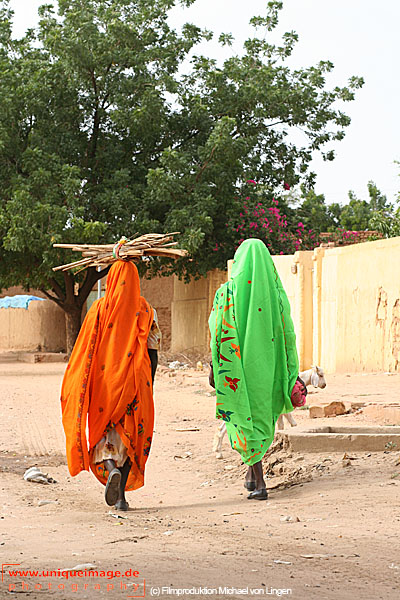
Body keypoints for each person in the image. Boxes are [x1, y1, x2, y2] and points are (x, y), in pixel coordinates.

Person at [208, 238, 301, 500]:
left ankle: (260, 482)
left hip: (236, 371)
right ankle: (251, 475)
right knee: (259, 419)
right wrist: (287, 371)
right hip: (267, 370)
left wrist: (214, 369)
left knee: (242, 419)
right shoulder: (276, 294)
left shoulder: (226, 293)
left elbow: (216, 333)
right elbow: (287, 335)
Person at [61, 260, 156, 511]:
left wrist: (82, 382)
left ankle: (110, 468)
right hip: (135, 383)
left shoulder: (99, 308)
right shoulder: (146, 310)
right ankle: (122, 498)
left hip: (104, 385)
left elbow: (86, 349)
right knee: (129, 438)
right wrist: (149, 385)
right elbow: (153, 350)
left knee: (105, 436)